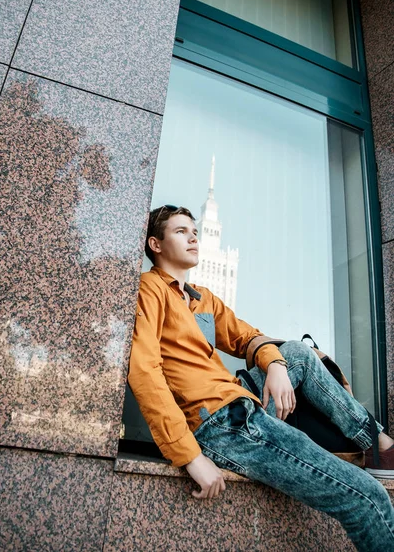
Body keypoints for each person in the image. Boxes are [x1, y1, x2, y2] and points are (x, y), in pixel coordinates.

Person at [128, 204, 394, 552]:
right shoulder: (150, 289)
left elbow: (250, 337)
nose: (193, 237)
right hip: (220, 425)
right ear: (156, 244)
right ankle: (376, 456)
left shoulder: (202, 298)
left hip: (241, 402)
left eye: (195, 231)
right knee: (368, 497)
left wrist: (276, 366)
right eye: (181, 232)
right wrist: (190, 457)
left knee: (297, 353)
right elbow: (144, 371)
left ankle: (377, 444)